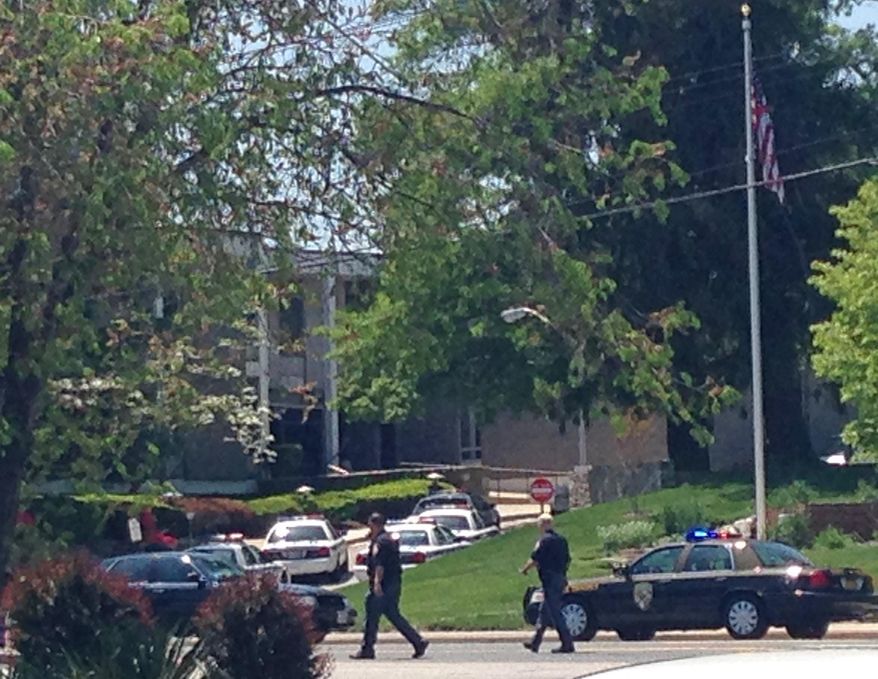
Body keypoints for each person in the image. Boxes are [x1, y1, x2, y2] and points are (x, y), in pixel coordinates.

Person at [351, 513, 430, 660]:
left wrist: (377, 584)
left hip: (383, 584)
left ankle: (367, 649)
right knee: (393, 615)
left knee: (371, 616)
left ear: (375, 525)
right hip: (394, 583)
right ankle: (418, 642)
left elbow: (379, 565)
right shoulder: (386, 539)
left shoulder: (380, 543)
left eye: (370, 525)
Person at [520, 513, 575, 654]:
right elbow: (568, 559)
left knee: (555, 612)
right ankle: (535, 642)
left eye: (539, 524)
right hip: (560, 578)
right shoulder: (562, 540)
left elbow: (535, 559)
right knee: (544, 612)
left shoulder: (544, 541)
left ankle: (567, 643)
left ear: (543, 525)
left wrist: (525, 569)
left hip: (550, 580)